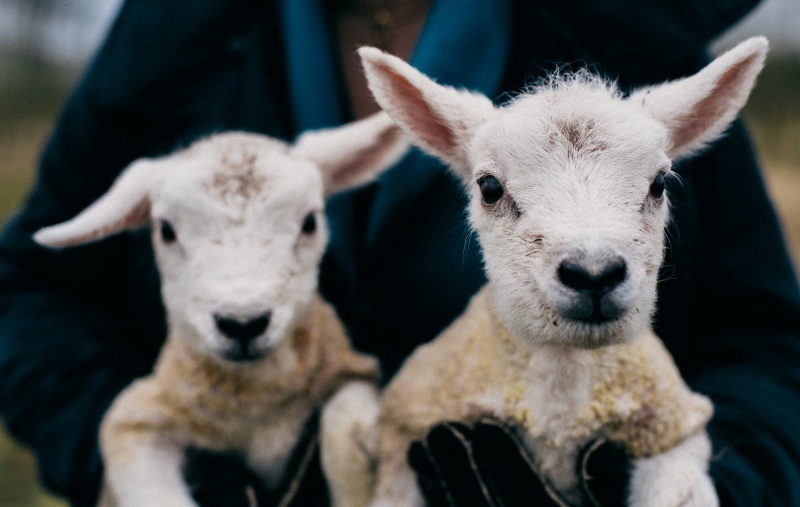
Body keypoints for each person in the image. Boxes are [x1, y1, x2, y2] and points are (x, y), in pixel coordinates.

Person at [1, 0, 799, 505]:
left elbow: (762, 345)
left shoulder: (626, 28)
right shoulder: (174, 35)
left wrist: (691, 487)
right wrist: (150, 466)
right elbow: (36, 291)